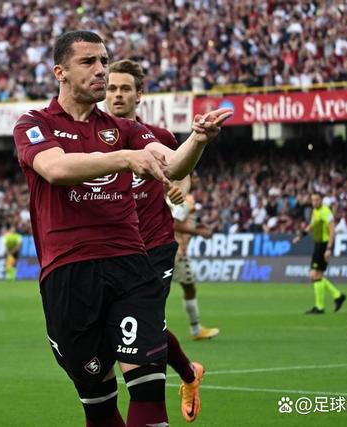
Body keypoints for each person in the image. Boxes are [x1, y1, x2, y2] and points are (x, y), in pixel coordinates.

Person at [12, 31, 230, 427]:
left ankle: (182, 375)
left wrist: (197, 140)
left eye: (104, 61)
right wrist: (125, 159)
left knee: (146, 384)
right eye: (89, 62)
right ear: (59, 72)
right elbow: (56, 169)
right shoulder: (34, 123)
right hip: (68, 272)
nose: (100, 70)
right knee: (98, 403)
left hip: (130, 265)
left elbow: (173, 166)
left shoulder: (123, 129)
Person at [106, 59, 204, 423]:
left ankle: (163, 393)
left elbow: (181, 171)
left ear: (138, 94)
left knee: (140, 332)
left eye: (125, 88)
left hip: (156, 247)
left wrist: (181, 189)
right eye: (112, 88)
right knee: (140, 328)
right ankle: (190, 373)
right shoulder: (93, 138)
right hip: (113, 253)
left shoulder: (158, 137)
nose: (118, 95)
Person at [170, 176, 221, 340]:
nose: (198, 179)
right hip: (176, 251)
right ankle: (195, 329)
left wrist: (197, 226)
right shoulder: (186, 198)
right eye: (194, 176)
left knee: (188, 287)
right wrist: (199, 232)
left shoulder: (173, 196)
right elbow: (173, 223)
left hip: (171, 249)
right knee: (187, 288)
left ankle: (196, 329)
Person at [292, 192, 346, 314]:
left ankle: (320, 307)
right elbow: (312, 225)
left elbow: (332, 231)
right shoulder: (315, 211)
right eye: (313, 200)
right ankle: (337, 296)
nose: (315, 202)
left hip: (324, 244)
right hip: (318, 244)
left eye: (317, 200)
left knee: (314, 275)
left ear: (321, 200)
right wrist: (301, 236)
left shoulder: (326, 212)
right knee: (317, 275)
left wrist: (329, 248)